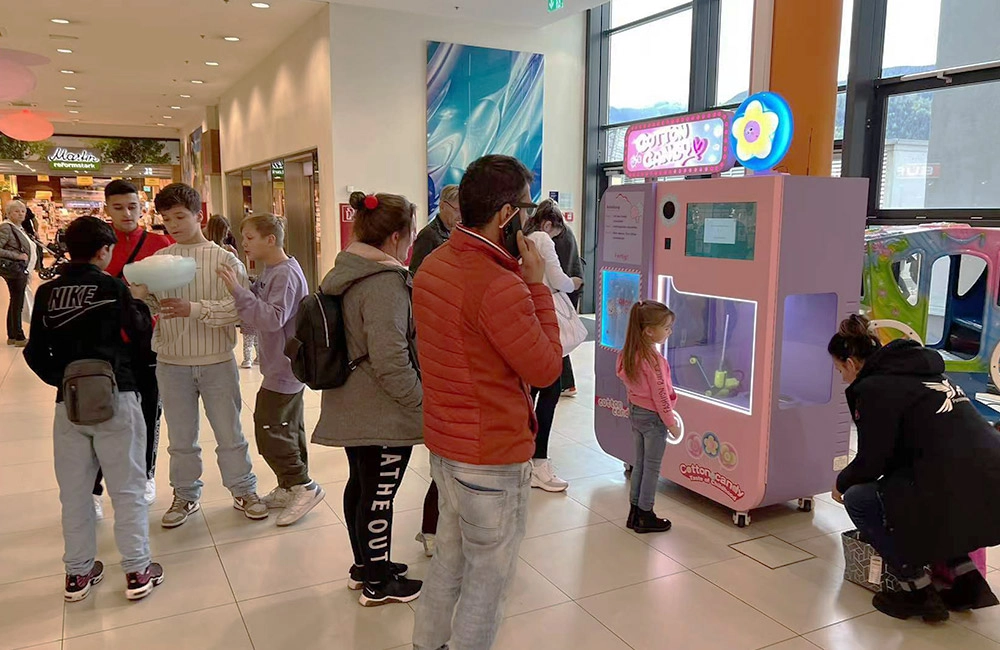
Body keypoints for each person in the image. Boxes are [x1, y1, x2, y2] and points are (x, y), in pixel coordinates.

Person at [412, 155, 563, 650]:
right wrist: (537, 286)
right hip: (491, 458)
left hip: (446, 445)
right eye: (524, 209)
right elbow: (544, 369)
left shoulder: (435, 263)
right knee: (487, 583)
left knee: (448, 569)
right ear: (505, 216)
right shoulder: (500, 285)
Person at [23, 216, 164, 602]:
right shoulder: (113, 288)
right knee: (128, 488)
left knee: (76, 492)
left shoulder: (49, 294)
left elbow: (34, 353)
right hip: (118, 395)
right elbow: (141, 338)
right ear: (104, 251)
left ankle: (78, 574)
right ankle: (137, 570)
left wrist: (67, 382)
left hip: (68, 405)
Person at [829, 315, 1000, 622]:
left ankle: (915, 590)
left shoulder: (874, 388)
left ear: (852, 362)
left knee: (860, 499)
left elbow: (872, 461)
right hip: (990, 479)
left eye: (840, 368)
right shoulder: (927, 374)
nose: (842, 377)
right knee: (924, 492)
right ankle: (966, 580)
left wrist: (841, 483)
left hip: (951, 485)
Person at [312, 190, 423, 607]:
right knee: (379, 494)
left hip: (351, 400)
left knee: (361, 485)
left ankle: (366, 566)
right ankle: (378, 583)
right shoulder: (384, 283)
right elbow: (391, 359)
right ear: (396, 236)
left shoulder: (348, 271)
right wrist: (421, 403)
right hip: (382, 411)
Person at [137, 183, 268, 528]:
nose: (174, 224)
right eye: (166, 219)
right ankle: (185, 494)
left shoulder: (224, 259)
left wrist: (192, 308)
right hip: (171, 362)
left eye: (180, 216)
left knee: (230, 432)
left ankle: (244, 489)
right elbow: (159, 307)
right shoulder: (160, 261)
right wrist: (144, 295)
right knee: (180, 438)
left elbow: (238, 309)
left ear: (199, 215)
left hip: (216, 361)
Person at [218, 213, 323, 527]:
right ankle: (291, 485)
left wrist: (239, 291)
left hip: (285, 367)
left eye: (249, 238)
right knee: (287, 427)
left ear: (270, 239)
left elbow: (272, 318)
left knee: (269, 428)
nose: (244, 244)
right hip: (279, 364)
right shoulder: (272, 271)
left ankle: (303, 486)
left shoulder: (285, 274)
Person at [92, 180, 173, 515]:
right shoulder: (99, 246)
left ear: (142, 208)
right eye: (119, 207)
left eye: (132, 207)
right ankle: (93, 488)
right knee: (98, 414)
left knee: (149, 410)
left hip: (149, 342)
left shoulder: (160, 243)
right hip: (106, 345)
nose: (127, 214)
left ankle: (146, 473)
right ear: (107, 209)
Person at [409, 184, 461, 558]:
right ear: (443, 207)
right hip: (437, 352)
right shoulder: (431, 238)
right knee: (444, 465)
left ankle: (438, 528)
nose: (461, 217)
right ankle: (431, 530)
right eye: (457, 210)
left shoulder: (449, 236)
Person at [523, 202, 584, 492]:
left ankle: (526, 457)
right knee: (549, 392)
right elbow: (559, 279)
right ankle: (539, 462)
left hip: (526, 319)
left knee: (531, 391)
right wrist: (575, 281)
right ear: (549, 224)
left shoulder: (521, 238)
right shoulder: (543, 239)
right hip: (545, 319)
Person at [616, 300, 677, 534]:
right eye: (666, 327)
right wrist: (670, 422)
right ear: (649, 331)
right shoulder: (653, 361)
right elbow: (660, 394)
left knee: (640, 463)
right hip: (653, 418)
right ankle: (646, 513)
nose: (669, 331)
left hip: (636, 413)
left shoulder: (629, 354)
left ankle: (635, 511)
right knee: (652, 467)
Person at [205, 215, 258, 369]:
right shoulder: (208, 247)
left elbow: (239, 271)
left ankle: (250, 357)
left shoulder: (229, 246)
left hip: (227, 290)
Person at [547, 201, 584, 397]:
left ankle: (564, 383)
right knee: (561, 337)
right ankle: (565, 383)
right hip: (567, 289)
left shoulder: (550, 238)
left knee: (559, 338)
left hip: (563, 290)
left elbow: (557, 275)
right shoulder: (564, 232)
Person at [0, 200, 35, 347]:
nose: (21, 214)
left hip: (20, 269)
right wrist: (17, 256)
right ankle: (19, 336)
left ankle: (13, 335)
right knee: (17, 302)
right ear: (8, 213)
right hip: (15, 269)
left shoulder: (18, 227)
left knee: (15, 301)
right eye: (16, 211)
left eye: (23, 211)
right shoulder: (6, 228)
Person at [410, 184, 460, 273]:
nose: (460, 215)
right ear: (442, 206)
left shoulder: (458, 234)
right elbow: (415, 272)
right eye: (456, 210)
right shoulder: (427, 235)